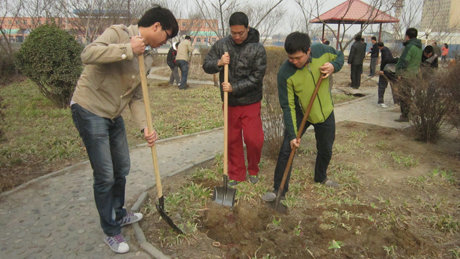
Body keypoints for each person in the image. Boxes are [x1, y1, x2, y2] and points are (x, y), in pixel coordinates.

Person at [70, 6, 178, 254]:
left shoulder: (147, 57)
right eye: (167, 35)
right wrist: (128, 49)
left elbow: (136, 96)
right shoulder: (117, 34)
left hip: (113, 113)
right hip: (89, 108)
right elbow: (88, 54)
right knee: (106, 174)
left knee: (122, 167)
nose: (166, 41)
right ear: (156, 27)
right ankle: (111, 230)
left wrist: (145, 127)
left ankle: (118, 213)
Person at [262, 31, 344, 202]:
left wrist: (334, 66)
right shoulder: (285, 73)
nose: (294, 62)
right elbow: (288, 105)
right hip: (302, 112)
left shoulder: (322, 51)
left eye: (298, 58)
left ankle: (321, 177)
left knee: (326, 148)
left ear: (308, 51)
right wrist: (293, 135)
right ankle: (279, 190)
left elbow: (340, 56)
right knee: (287, 148)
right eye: (290, 58)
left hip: (325, 112)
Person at [203, 12, 266, 186]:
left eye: (241, 33)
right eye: (234, 33)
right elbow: (206, 65)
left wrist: (234, 87)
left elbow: (257, 77)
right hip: (230, 103)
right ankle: (236, 173)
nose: (237, 36)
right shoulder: (222, 45)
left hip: (251, 102)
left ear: (247, 28)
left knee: (254, 140)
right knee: (232, 140)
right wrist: (219, 63)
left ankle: (253, 169)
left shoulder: (257, 48)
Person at [394, 27, 422, 122]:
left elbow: (404, 61)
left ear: (407, 36)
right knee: (409, 95)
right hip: (414, 74)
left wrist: (399, 73)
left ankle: (405, 115)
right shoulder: (419, 47)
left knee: (404, 95)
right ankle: (408, 114)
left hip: (406, 75)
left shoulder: (409, 47)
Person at [377, 42, 398, 107]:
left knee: (382, 85)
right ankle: (397, 102)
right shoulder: (386, 49)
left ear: (379, 46)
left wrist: (382, 70)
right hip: (392, 70)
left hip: (386, 70)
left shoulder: (383, 50)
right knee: (394, 86)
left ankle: (381, 101)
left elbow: (385, 60)